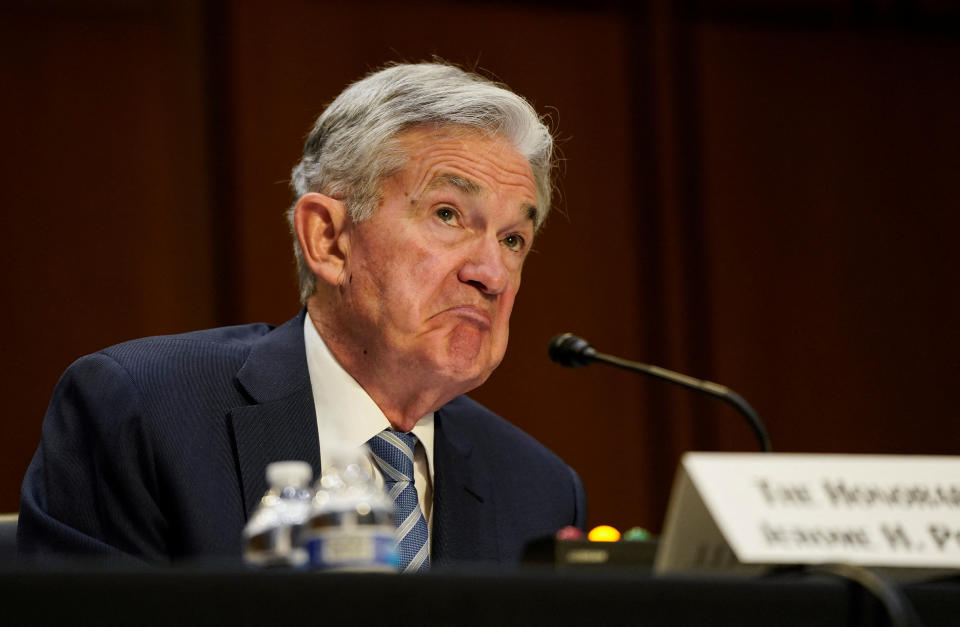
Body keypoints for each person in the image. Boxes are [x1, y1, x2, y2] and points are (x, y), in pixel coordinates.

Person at [17, 62, 587, 568]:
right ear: (329, 240)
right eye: (448, 214)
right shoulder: (143, 413)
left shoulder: (539, 490)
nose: (490, 273)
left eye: (514, 239)